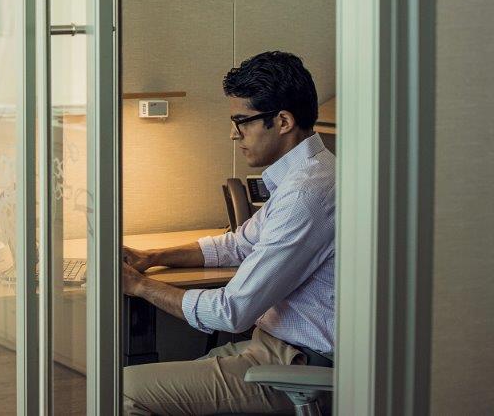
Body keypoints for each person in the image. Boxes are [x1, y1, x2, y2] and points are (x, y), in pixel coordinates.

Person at [122, 51, 335, 415]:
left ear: (282, 121)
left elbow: (230, 311)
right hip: (271, 348)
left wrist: (141, 286)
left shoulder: (306, 194)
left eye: (242, 121)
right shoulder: (308, 174)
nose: (233, 134)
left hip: (297, 367)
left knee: (120, 391)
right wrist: (153, 258)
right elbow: (238, 244)